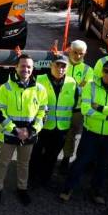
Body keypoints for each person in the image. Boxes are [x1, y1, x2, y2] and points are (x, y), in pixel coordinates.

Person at [59, 60, 108, 204]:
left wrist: (99, 108)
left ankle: (96, 190)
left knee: (104, 165)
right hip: (91, 133)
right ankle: (68, 188)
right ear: (102, 72)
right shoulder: (91, 86)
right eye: (107, 71)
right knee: (81, 162)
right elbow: (86, 109)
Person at [0, 54, 47, 206]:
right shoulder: (5, 88)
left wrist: (30, 131)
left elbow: (43, 113)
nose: (26, 69)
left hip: (29, 135)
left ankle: (22, 188)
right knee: (3, 162)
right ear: (16, 67)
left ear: (33, 69)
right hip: (10, 134)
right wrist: (15, 130)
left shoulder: (40, 89)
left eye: (29, 66)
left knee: (24, 163)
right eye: (22, 66)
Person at [30, 54, 78, 186]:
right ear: (51, 65)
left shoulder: (72, 82)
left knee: (52, 156)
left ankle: (45, 179)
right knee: (36, 154)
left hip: (61, 128)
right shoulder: (39, 79)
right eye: (57, 65)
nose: (60, 69)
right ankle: (32, 178)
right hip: (42, 126)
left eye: (64, 66)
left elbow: (75, 103)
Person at [60, 39, 93, 173]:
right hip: (59, 108)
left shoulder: (88, 70)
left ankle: (66, 158)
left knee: (71, 135)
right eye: (75, 52)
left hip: (77, 110)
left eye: (81, 54)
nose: (78, 56)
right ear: (69, 50)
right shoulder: (61, 64)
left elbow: (85, 88)